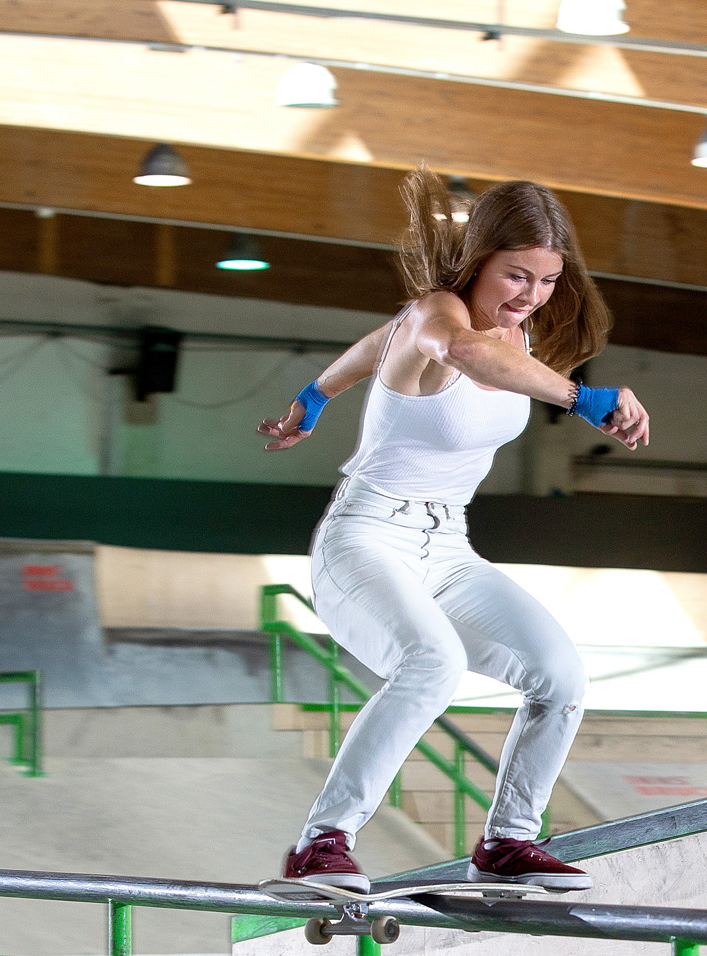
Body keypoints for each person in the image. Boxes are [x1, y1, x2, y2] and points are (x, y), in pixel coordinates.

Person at [256, 170, 649, 894]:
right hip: (366, 539)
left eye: (548, 280)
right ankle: (320, 843)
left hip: (447, 548)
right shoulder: (441, 313)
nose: (529, 296)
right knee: (431, 662)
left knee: (559, 677)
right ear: (478, 261)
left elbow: (382, 342)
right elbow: (453, 349)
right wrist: (581, 396)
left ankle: (507, 843)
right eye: (516, 275)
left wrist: (315, 395)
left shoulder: (510, 334)